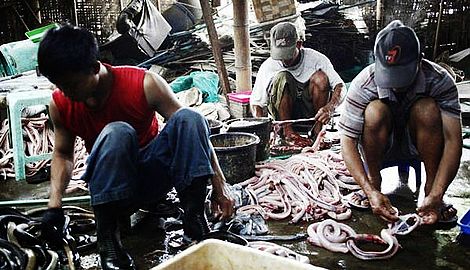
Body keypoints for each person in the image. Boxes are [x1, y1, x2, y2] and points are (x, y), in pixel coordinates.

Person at [38, 24, 234, 270]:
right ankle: (108, 241)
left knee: (190, 117)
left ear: (95, 68)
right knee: (117, 133)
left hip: (154, 179)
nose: (66, 93)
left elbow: (195, 132)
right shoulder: (60, 103)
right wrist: (54, 206)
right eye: (60, 85)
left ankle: (194, 221)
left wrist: (220, 185)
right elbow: (62, 153)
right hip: (112, 189)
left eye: (72, 85)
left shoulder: (145, 83)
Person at [339, 20, 462, 225]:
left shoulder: (440, 80)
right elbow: (347, 141)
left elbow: (453, 141)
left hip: (420, 142)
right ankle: (374, 184)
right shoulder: (363, 83)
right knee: (374, 111)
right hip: (380, 144)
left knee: (427, 109)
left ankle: (431, 194)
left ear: (419, 61)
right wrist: (368, 191)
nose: (395, 85)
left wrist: (439, 190)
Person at [250, 22, 345, 147]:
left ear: (299, 45)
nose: (284, 60)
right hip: (282, 117)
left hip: (310, 114)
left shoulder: (316, 59)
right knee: (282, 76)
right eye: (280, 55)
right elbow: (257, 103)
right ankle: (288, 133)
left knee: (321, 78)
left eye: (287, 55)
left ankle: (318, 132)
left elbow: (340, 86)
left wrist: (330, 108)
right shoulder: (268, 66)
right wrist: (263, 131)